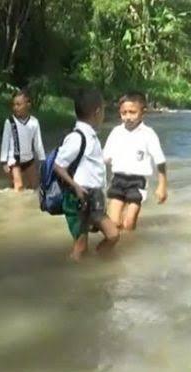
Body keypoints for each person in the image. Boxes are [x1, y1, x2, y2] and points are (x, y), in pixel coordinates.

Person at [53, 89, 119, 261]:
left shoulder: (91, 136)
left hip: (93, 197)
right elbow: (58, 166)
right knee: (81, 247)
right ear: (97, 112)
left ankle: (97, 262)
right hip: (78, 198)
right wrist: (75, 186)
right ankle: (74, 277)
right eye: (103, 110)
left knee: (113, 235)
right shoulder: (77, 137)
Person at [103, 91, 168, 231]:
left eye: (132, 112)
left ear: (143, 112)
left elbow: (160, 161)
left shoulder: (148, 134)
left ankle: (129, 244)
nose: (127, 117)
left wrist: (162, 186)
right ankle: (116, 248)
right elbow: (104, 158)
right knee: (113, 223)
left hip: (137, 182)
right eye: (124, 113)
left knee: (129, 222)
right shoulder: (116, 132)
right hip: (118, 179)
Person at [0, 89, 46, 191]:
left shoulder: (34, 122)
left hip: (29, 160)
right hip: (14, 161)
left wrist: (43, 160)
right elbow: (5, 142)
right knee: (19, 187)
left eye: (19, 104)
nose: (16, 108)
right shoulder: (10, 122)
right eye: (14, 105)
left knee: (36, 187)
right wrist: (4, 162)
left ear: (28, 104)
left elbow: (38, 143)